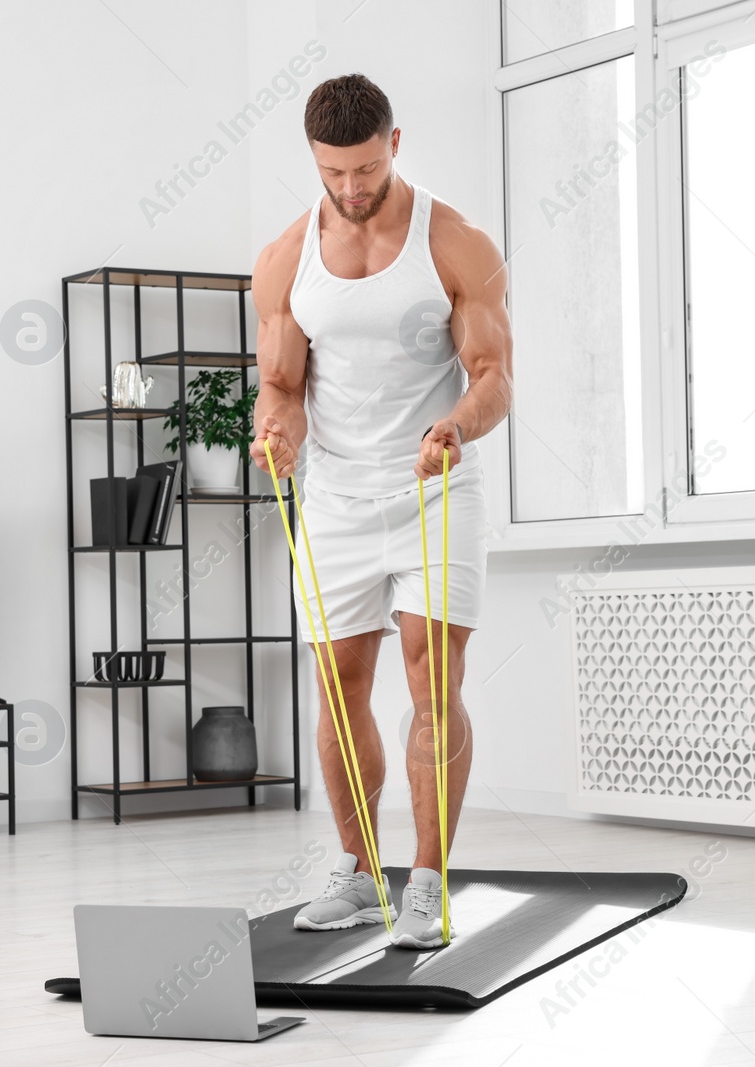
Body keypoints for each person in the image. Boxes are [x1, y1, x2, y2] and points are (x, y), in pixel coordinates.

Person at [250, 73, 513, 950]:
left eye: (365, 169)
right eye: (335, 174)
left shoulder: (457, 243)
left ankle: (428, 884)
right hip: (332, 498)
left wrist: (458, 425)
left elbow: (494, 379)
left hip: (434, 487)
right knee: (341, 688)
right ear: (315, 162)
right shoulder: (286, 259)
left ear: (394, 146)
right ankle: (360, 874)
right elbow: (282, 388)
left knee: (431, 678)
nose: (352, 190)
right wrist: (274, 435)